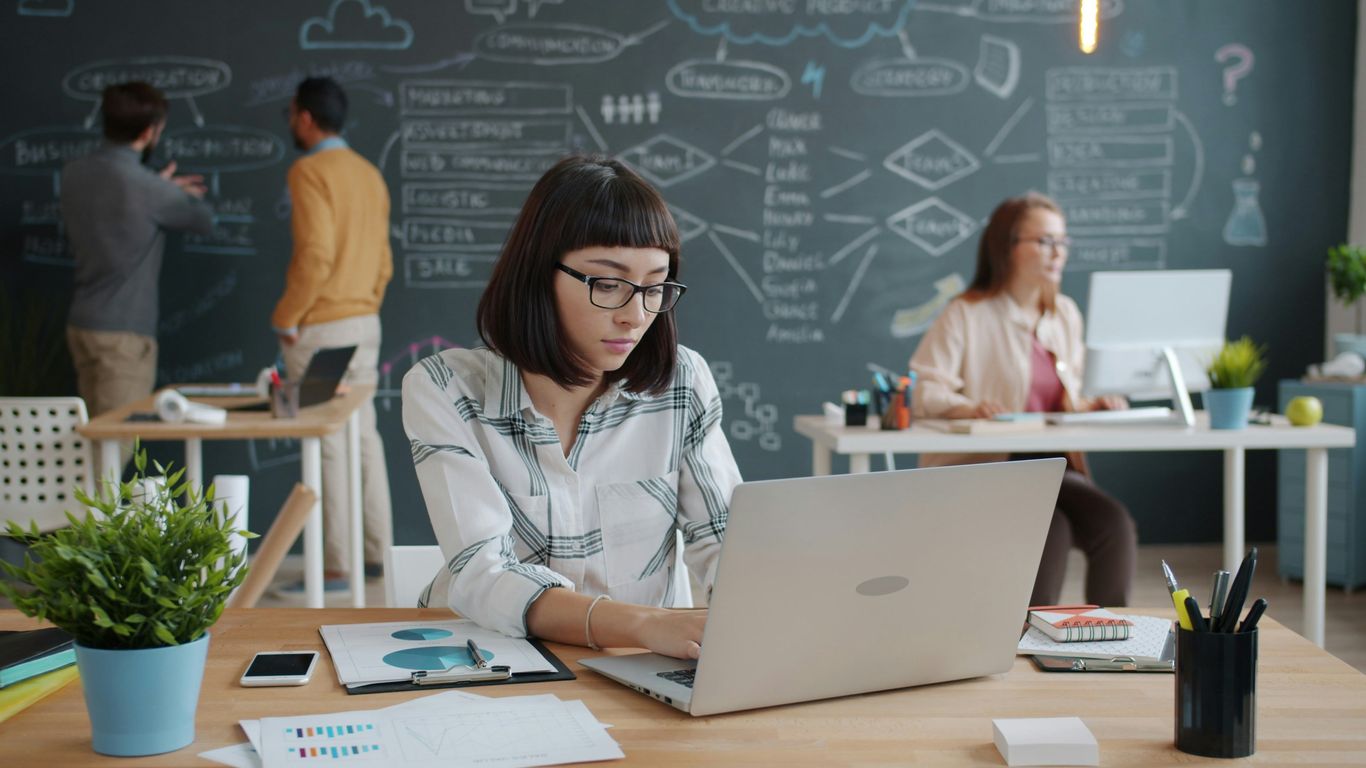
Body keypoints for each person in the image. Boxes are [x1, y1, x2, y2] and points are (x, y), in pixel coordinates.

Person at [402, 155, 741, 660]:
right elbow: (483, 572)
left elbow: (727, 543)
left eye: (655, 286)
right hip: (489, 662)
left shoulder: (682, 381)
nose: (635, 314)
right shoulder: (447, 388)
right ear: (539, 274)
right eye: (608, 284)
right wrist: (641, 624)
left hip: (641, 670)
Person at [909, 192, 1137, 607]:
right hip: (991, 470)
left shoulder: (1064, 314)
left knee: (1114, 524)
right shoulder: (965, 314)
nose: (1058, 253)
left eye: (1063, 242)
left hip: (1053, 468)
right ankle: (1027, 648)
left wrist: (1094, 403)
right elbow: (924, 390)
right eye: (1045, 241)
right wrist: (968, 407)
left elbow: (1064, 399)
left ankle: (1110, 643)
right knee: (1051, 531)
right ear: (1007, 246)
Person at [272, 76, 393, 588]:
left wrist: (287, 316)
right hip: (366, 320)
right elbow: (384, 262)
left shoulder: (308, 170)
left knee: (327, 441)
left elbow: (317, 253)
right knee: (362, 435)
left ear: (304, 116)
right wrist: (362, 304)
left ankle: (337, 566)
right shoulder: (369, 174)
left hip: (322, 325)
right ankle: (375, 553)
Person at [62, 81, 213, 439]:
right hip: (124, 333)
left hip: (82, 323)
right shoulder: (148, 188)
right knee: (116, 449)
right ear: (149, 132)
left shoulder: (73, 174)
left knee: (93, 441)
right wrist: (167, 189)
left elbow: (117, 205)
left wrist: (155, 187)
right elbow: (205, 218)